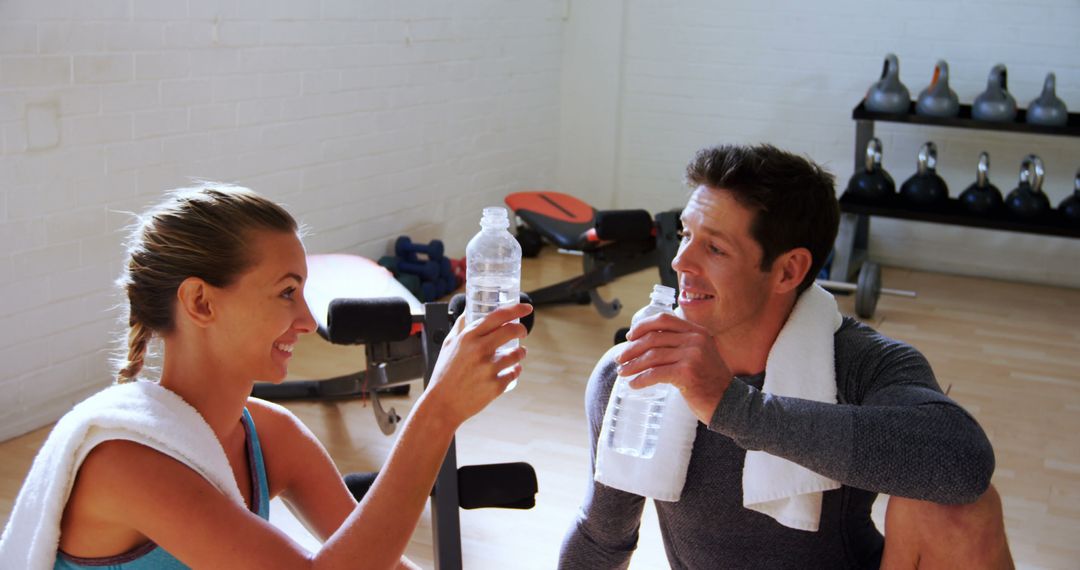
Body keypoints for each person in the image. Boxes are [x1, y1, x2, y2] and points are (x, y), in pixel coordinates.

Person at [0, 184, 532, 569]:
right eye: (286, 292)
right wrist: (437, 411)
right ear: (200, 301)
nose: (306, 319)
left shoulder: (270, 435)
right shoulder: (125, 464)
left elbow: (375, 561)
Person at [559, 144, 1013, 568]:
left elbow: (964, 462)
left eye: (715, 248)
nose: (681, 262)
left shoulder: (861, 363)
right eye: (685, 235)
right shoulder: (638, 369)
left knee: (961, 508)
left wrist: (733, 406)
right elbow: (601, 539)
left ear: (788, 270)